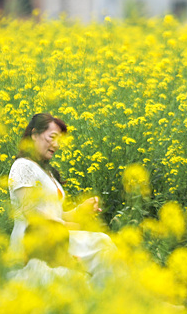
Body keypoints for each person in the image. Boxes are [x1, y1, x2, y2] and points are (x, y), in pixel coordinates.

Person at [8, 113, 115, 284]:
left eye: (60, 140)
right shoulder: (23, 166)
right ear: (34, 134)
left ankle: (116, 298)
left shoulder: (47, 172)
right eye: (52, 137)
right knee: (102, 244)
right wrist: (68, 226)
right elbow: (32, 214)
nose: (56, 145)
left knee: (103, 246)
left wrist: (80, 210)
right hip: (35, 244)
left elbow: (57, 214)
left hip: (57, 238)